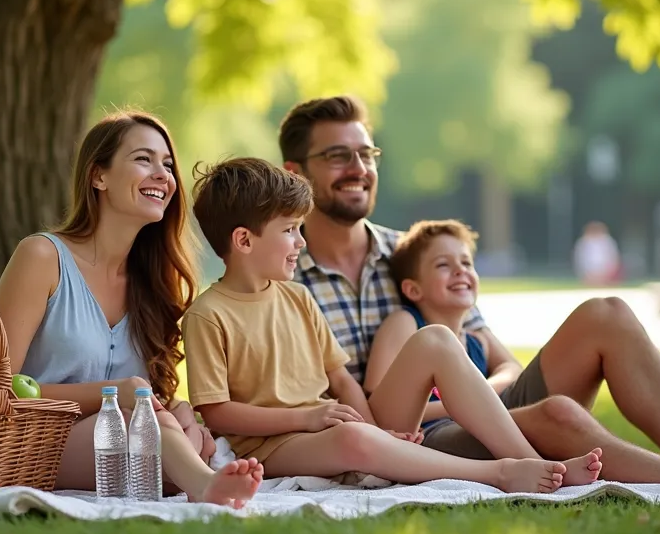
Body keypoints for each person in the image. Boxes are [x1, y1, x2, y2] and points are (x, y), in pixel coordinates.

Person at [277, 95, 660, 502]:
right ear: (295, 172)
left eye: (366, 154)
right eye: (337, 157)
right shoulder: (280, 276)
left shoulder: (412, 253)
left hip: (477, 409)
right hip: (408, 437)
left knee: (607, 313)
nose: (357, 169)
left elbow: (492, 354)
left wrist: (484, 389)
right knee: (556, 413)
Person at [182, 157, 601, 493]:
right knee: (355, 442)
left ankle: (534, 462)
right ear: (244, 240)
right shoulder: (208, 315)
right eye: (290, 230)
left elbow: (342, 381)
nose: (301, 242)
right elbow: (218, 413)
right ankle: (499, 474)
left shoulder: (297, 297)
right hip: (274, 447)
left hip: (338, 425)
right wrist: (309, 420)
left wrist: (380, 431)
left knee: (434, 339)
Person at [0, 110, 262, 508]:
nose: (163, 175)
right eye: (143, 159)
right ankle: (204, 486)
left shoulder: (153, 281)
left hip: (119, 438)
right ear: (99, 177)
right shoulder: (42, 257)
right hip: (30, 442)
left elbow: (148, 392)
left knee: (178, 434)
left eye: (167, 164)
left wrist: (176, 408)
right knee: (142, 430)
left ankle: (194, 471)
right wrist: (115, 395)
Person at [573, 221, 621, 285]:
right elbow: (580, 259)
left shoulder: (607, 241)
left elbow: (613, 257)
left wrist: (608, 272)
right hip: (589, 272)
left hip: (606, 272)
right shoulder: (584, 242)